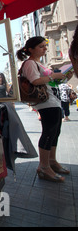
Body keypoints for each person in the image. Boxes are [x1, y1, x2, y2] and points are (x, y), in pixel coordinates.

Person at [16, 36, 69, 182]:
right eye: (41, 46)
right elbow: (35, 81)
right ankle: (44, 166)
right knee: (49, 132)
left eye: (45, 46)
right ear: (31, 49)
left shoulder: (38, 63)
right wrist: (52, 76)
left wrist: (57, 78)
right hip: (45, 102)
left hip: (52, 100)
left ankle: (52, 161)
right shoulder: (30, 63)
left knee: (55, 132)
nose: (45, 48)